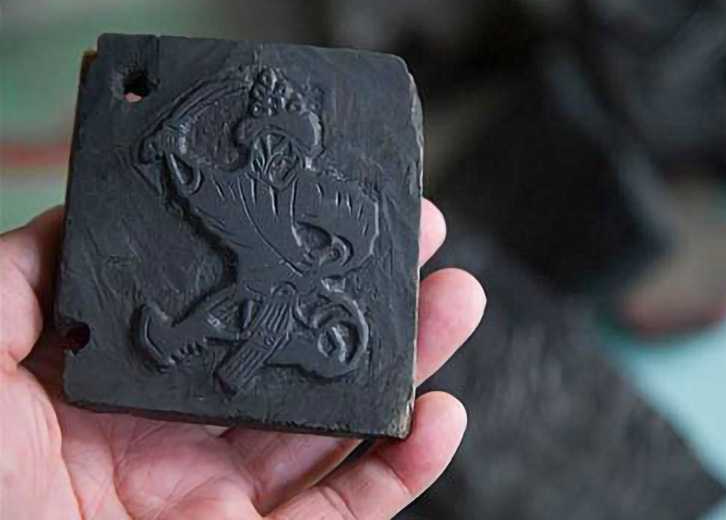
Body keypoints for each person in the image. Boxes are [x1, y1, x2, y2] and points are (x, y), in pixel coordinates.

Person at [0, 199, 485, 520]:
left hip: (284, 332)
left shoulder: (319, 296)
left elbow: (329, 336)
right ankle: (174, 341)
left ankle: (176, 341)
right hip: (251, 322)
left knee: (255, 300)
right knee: (247, 294)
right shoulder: (281, 247)